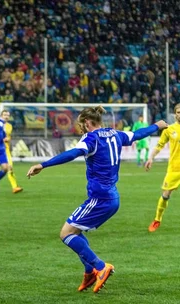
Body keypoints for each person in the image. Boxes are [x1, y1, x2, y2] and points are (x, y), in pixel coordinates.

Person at [26, 106, 167, 293]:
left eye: (81, 125)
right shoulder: (115, 134)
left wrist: (43, 165)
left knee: (66, 233)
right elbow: (138, 134)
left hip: (100, 198)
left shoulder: (90, 138)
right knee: (76, 231)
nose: (81, 129)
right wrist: (156, 125)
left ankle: (100, 267)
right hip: (111, 198)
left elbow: (72, 153)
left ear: (87, 123)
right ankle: (89, 272)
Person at [145, 104, 180, 232]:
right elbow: (159, 145)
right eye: (178, 112)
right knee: (165, 195)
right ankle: (157, 220)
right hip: (174, 169)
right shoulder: (169, 129)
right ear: (175, 114)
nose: (179, 114)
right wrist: (151, 158)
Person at [1, 110, 23, 194]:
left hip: (5, 151)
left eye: (7, 115)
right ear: (1, 116)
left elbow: (8, 137)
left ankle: (15, 187)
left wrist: (7, 139)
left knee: (10, 167)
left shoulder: (9, 126)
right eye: (4, 115)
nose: (6, 116)